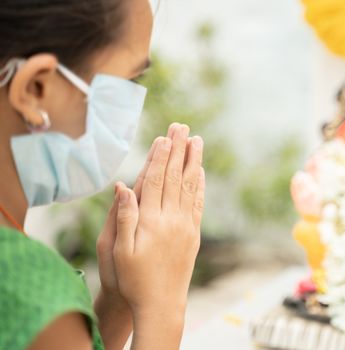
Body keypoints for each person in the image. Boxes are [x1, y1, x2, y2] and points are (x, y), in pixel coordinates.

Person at [0, 0, 205, 349]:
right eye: (130, 79)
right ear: (35, 89)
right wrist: (163, 307)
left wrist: (117, 302)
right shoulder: (24, 288)